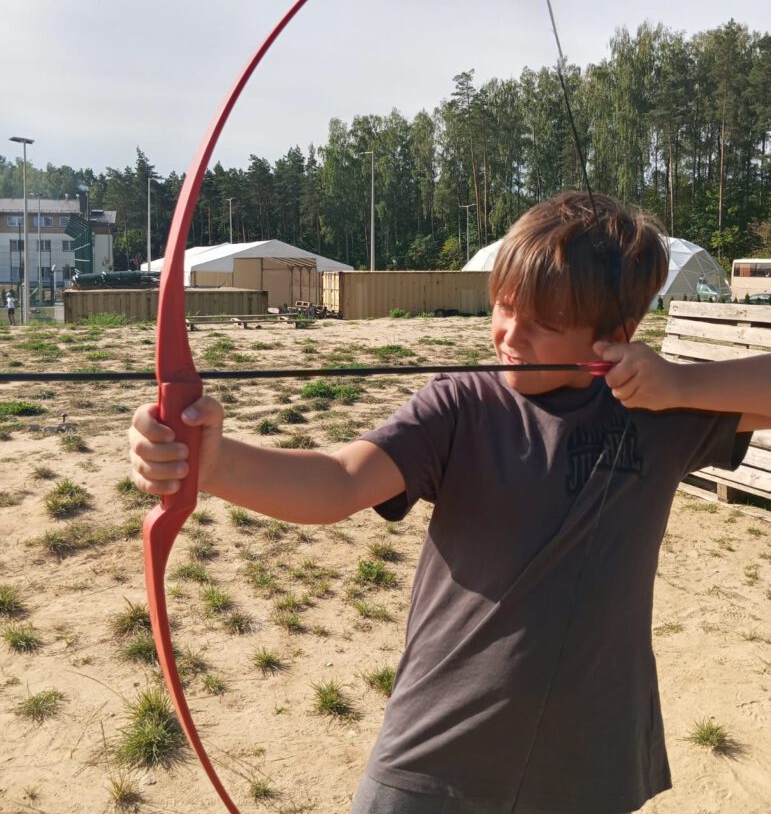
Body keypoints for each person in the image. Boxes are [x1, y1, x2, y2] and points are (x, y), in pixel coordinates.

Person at [129, 192, 771, 814]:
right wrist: (215, 464)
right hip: (438, 752)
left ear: (617, 332)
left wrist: (681, 382)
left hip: (590, 759)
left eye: (545, 323)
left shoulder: (657, 410)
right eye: (504, 306)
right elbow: (340, 480)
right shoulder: (461, 405)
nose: (511, 334)